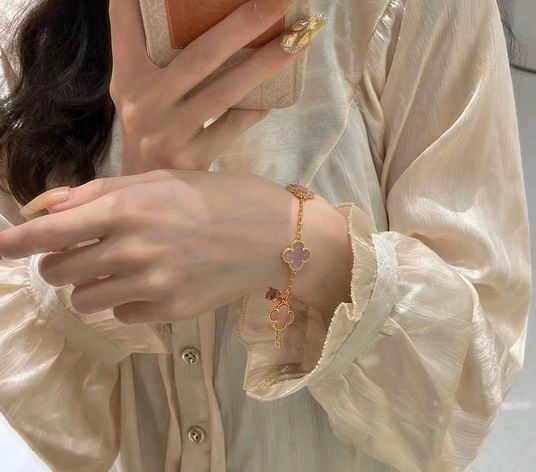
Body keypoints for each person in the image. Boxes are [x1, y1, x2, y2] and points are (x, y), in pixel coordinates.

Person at [0, 0, 531, 471]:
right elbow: (67, 428)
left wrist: (297, 240)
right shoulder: (25, 26)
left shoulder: (418, 9)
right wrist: (133, 199)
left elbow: (466, 392)